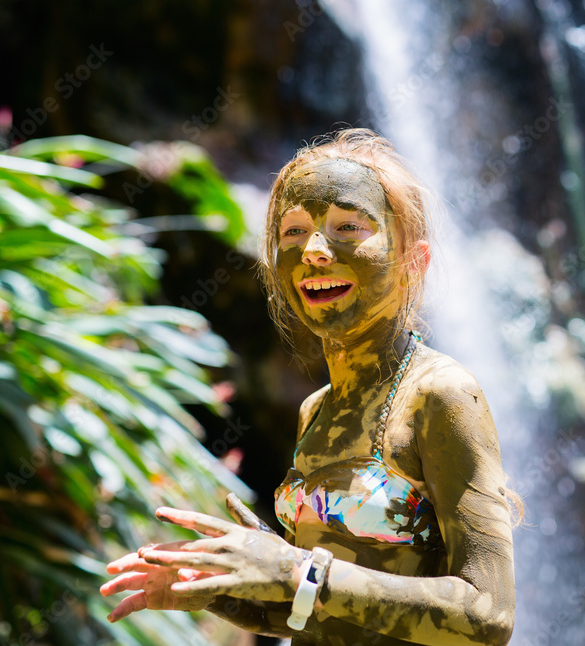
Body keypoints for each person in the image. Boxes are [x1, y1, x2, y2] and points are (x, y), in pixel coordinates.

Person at [101, 128, 518, 645]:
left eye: (348, 226)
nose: (315, 251)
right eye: (293, 231)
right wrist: (225, 590)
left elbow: (489, 614)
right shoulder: (316, 409)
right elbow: (324, 613)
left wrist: (295, 571)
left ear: (415, 260)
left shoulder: (443, 395)